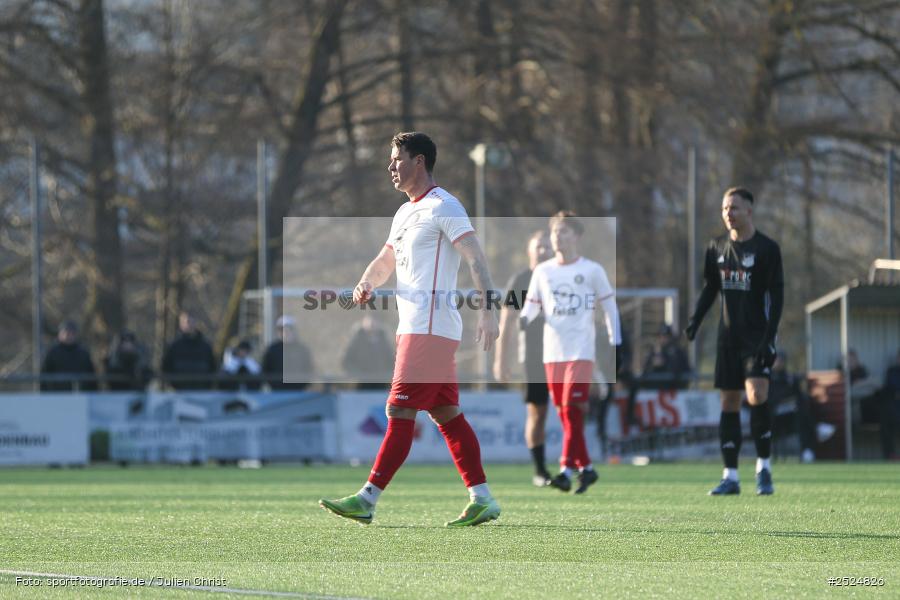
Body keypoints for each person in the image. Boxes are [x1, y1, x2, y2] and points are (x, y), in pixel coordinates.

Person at [319, 132, 501, 527]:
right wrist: (366, 281)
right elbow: (385, 260)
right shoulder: (404, 213)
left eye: (397, 159)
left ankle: (367, 498)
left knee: (399, 409)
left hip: (429, 328)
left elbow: (475, 258)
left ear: (419, 161)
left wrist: (489, 311)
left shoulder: (444, 205)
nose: (390, 166)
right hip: (416, 327)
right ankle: (482, 497)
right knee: (447, 415)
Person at [684, 187, 783, 495]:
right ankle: (731, 477)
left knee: (756, 394)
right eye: (725, 208)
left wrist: (770, 337)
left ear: (749, 211)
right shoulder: (716, 247)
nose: (729, 213)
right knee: (728, 402)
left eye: (735, 208)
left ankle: (764, 469)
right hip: (728, 338)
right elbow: (711, 288)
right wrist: (696, 320)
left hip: (757, 337)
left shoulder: (767, 249)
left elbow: (777, 296)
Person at [521, 211, 622, 494]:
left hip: (581, 351)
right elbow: (531, 306)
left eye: (564, 231)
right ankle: (586, 468)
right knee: (567, 415)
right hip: (552, 353)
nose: (558, 237)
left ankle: (566, 469)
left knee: (571, 408)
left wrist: (616, 343)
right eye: (555, 231)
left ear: (577, 236)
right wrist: (522, 320)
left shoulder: (592, 270)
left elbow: (610, 308)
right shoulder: (543, 271)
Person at [493, 230, 554, 486]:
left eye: (547, 246)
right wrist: (501, 360)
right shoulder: (522, 280)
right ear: (529, 250)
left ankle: (574, 464)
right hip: (533, 355)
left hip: (564, 354)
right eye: (538, 246)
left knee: (573, 409)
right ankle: (540, 471)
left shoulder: (561, 277)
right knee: (538, 413)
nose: (543, 251)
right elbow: (507, 322)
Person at [160, 311, 216, 390]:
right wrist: (173, 385)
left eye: (190, 321)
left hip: (201, 391)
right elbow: (166, 368)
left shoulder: (206, 347)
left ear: (195, 323)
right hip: (178, 392)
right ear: (180, 324)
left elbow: (213, 368)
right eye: (185, 322)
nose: (188, 324)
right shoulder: (174, 347)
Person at [341, 314, 395, 389]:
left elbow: (392, 361)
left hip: (381, 383)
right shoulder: (356, 340)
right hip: (360, 384)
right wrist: (357, 374)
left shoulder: (384, 341)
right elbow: (346, 361)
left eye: (374, 320)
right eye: (369, 320)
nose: (371, 323)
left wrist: (386, 374)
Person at [41, 320, 97, 391]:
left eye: (72, 333)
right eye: (66, 333)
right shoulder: (52, 352)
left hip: (80, 395)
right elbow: (44, 375)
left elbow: (91, 377)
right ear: (59, 334)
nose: (68, 336)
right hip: (57, 394)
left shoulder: (83, 353)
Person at [262, 315, 314, 390]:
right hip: (277, 391)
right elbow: (266, 369)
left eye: (288, 330)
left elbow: (308, 368)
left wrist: (303, 384)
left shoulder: (302, 349)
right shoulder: (272, 349)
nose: (284, 333)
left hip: (298, 390)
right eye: (281, 330)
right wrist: (273, 383)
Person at [640, 324, 690, 390]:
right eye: (660, 336)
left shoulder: (677, 351)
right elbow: (645, 370)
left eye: (666, 336)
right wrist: (653, 365)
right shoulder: (653, 351)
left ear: (670, 337)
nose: (663, 338)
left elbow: (680, 371)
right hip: (655, 390)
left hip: (674, 390)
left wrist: (665, 363)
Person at [879, 349, 900, 460]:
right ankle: (890, 454)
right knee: (885, 416)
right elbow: (892, 386)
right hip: (894, 408)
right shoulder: (892, 371)